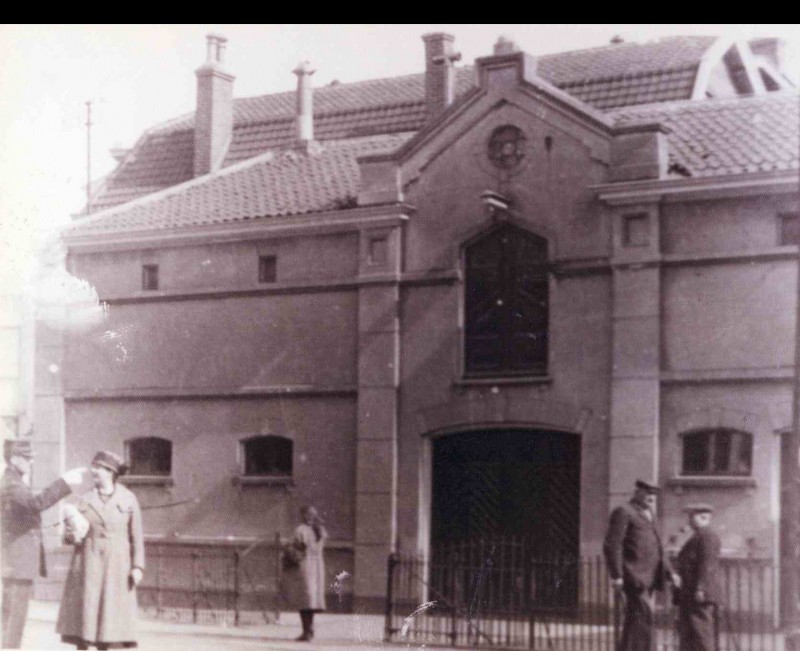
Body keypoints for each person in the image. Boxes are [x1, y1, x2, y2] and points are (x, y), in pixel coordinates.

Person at [1, 437, 86, 649]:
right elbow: (35, 504)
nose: (31, 462)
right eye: (27, 458)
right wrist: (64, 482)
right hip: (17, 561)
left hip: (16, 560)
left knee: (12, 614)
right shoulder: (11, 483)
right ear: (14, 459)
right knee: (14, 616)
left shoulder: (14, 481)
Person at [57, 451, 145, 650]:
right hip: (88, 565)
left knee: (112, 626)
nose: (93, 471)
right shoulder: (83, 499)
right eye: (93, 466)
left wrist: (138, 566)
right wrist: (71, 533)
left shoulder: (129, 498)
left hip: (118, 568)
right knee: (86, 624)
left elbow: (137, 537)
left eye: (98, 467)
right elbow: (69, 537)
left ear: (110, 472)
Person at [603, 479, 679, 651]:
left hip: (650, 578)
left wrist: (671, 573)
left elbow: (658, 547)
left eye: (654, 494)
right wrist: (617, 575)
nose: (651, 497)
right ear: (637, 492)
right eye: (647, 493)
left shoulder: (650, 515)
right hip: (634, 575)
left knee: (637, 621)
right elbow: (612, 545)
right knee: (643, 617)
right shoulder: (624, 512)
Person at [675, 504, 721, 651]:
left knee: (701, 634)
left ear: (703, 517)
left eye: (691, 516)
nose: (688, 520)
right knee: (690, 634)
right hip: (690, 593)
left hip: (698, 594)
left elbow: (707, 564)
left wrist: (701, 588)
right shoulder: (699, 536)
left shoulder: (708, 536)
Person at [281, 505, 328, 641]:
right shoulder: (320, 531)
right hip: (317, 566)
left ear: (303, 515)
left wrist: (287, 548)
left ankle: (306, 631)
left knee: (303, 598)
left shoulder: (301, 530)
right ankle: (309, 629)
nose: (309, 517)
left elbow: (297, 550)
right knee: (311, 598)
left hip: (305, 566)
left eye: (309, 514)